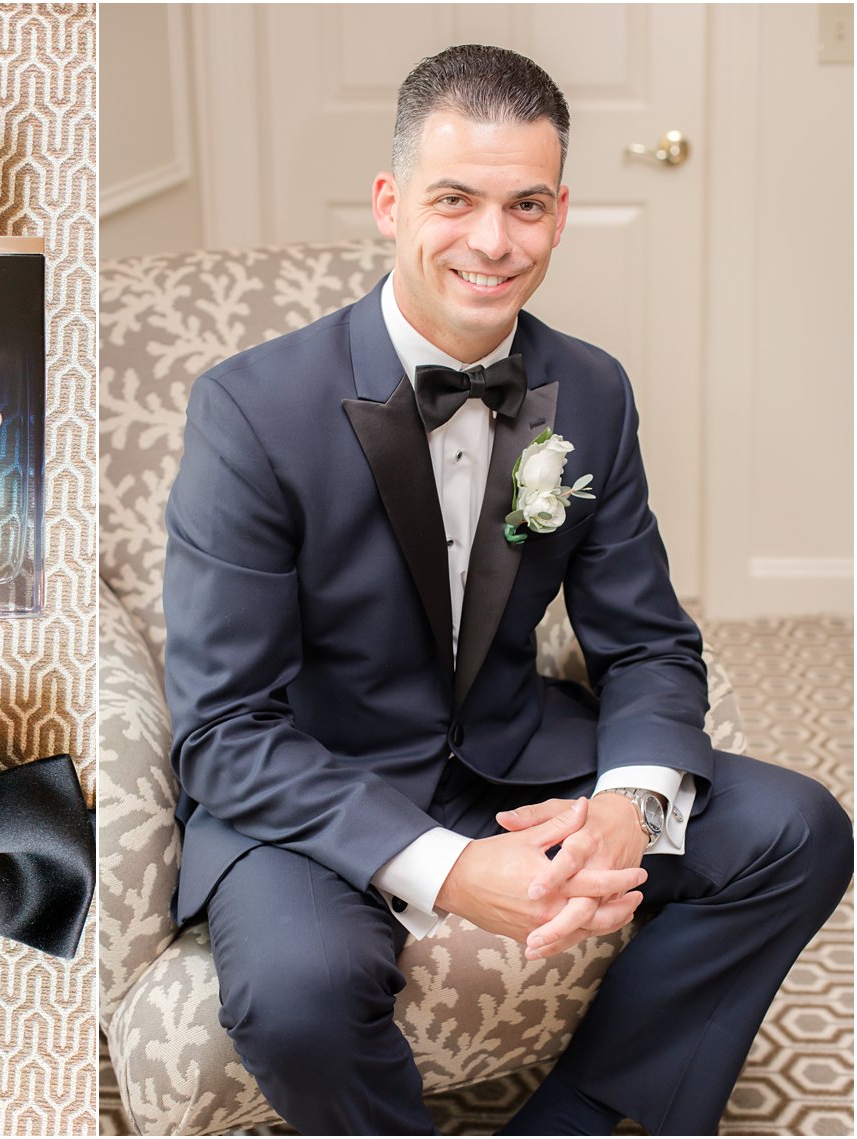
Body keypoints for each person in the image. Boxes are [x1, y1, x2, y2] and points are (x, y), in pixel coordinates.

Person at [163, 43, 852, 1136]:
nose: (492, 241)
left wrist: (628, 805)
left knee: (798, 829)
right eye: (455, 199)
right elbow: (221, 728)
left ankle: (575, 1116)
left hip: (511, 751)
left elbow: (647, 644)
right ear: (390, 202)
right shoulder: (248, 411)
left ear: (560, 211)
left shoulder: (591, 386)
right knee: (295, 992)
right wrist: (446, 868)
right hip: (311, 785)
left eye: (525, 204)